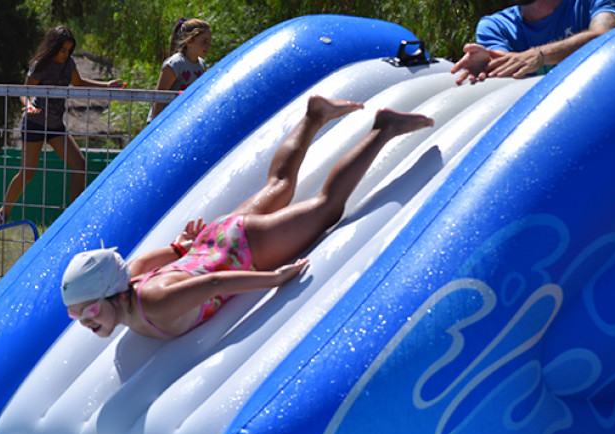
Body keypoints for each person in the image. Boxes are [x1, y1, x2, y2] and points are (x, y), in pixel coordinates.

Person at [62, 96, 434, 339]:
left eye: (90, 310)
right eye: (78, 316)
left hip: (245, 248)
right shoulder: (137, 270)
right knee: (280, 184)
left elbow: (213, 285)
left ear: (113, 293)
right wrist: (182, 247)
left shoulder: (153, 301)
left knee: (327, 208)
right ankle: (314, 116)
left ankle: (383, 128)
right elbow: (171, 254)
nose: (86, 321)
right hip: (215, 238)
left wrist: (272, 278)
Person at [0, 26, 126, 227]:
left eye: (69, 50)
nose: (65, 54)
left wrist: (106, 86)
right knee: (28, 171)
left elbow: (78, 83)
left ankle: (75, 217)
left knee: (79, 164)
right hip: (35, 124)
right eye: (62, 50)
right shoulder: (41, 65)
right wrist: (28, 107)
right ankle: (3, 213)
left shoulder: (68, 64)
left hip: (55, 126)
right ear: (53, 47)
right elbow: (24, 91)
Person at [451, 0, 615, 85]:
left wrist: (540, 56)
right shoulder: (494, 26)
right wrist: (488, 63)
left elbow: (606, 36)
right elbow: (507, 62)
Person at [147, 18, 212, 124]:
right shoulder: (176, 63)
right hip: (163, 121)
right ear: (189, 41)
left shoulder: (201, 64)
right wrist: (155, 125)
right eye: (204, 41)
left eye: (209, 41)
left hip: (182, 121)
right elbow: (159, 97)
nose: (208, 46)